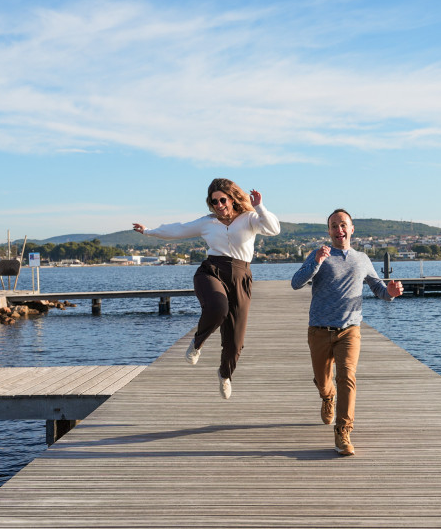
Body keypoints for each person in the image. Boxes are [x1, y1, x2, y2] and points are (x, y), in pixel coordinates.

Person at [132, 178, 280, 399]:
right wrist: (149, 231)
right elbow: (178, 230)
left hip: (240, 277)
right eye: (214, 202)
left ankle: (224, 374)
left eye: (222, 200)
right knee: (217, 308)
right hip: (211, 271)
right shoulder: (207, 223)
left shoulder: (249, 219)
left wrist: (259, 206)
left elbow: (273, 229)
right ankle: (197, 343)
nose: (219, 205)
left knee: (235, 341)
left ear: (231, 199)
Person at [291, 209, 403, 456]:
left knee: (347, 378)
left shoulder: (362, 259)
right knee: (323, 381)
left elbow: (379, 289)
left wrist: (391, 293)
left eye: (343, 225)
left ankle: (343, 432)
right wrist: (316, 261)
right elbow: (296, 282)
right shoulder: (319, 255)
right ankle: (326, 396)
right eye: (334, 226)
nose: (339, 230)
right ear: (329, 231)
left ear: (352, 229)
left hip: (349, 330)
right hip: (319, 330)